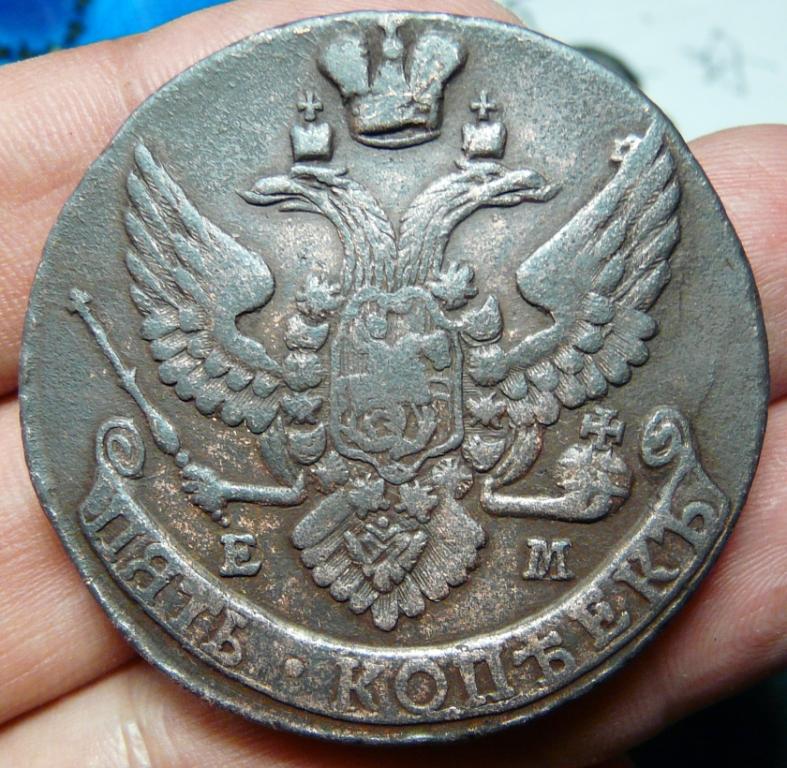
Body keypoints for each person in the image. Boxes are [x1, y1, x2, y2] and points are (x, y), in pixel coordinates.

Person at [0, 1, 784, 765]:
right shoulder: (365, 329)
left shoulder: (425, 326)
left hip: (437, 525)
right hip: (345, 530)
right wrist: (228, 486)